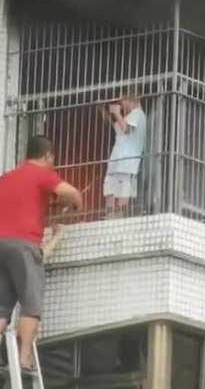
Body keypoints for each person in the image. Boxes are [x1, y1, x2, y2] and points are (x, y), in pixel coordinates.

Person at [0, 136, 83, 371]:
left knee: (1, 306)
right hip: (24, 245)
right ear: (47, 156)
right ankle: (24, 358)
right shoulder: (42, 174)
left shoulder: (7, 178)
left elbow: (22, 202)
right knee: (31, 305)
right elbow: (74, 194)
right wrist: (76, 206)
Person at [101, 90, 147, 217]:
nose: (122, 105)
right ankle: (110, 214)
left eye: (123, 102)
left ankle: (119, 214)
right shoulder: (130, 116)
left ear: (130, 100)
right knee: (110, 184)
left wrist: (116, 113)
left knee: (123, 185)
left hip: (127, 158)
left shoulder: (137, 114)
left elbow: (126, 129)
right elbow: (120, 129)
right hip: (118, 156)